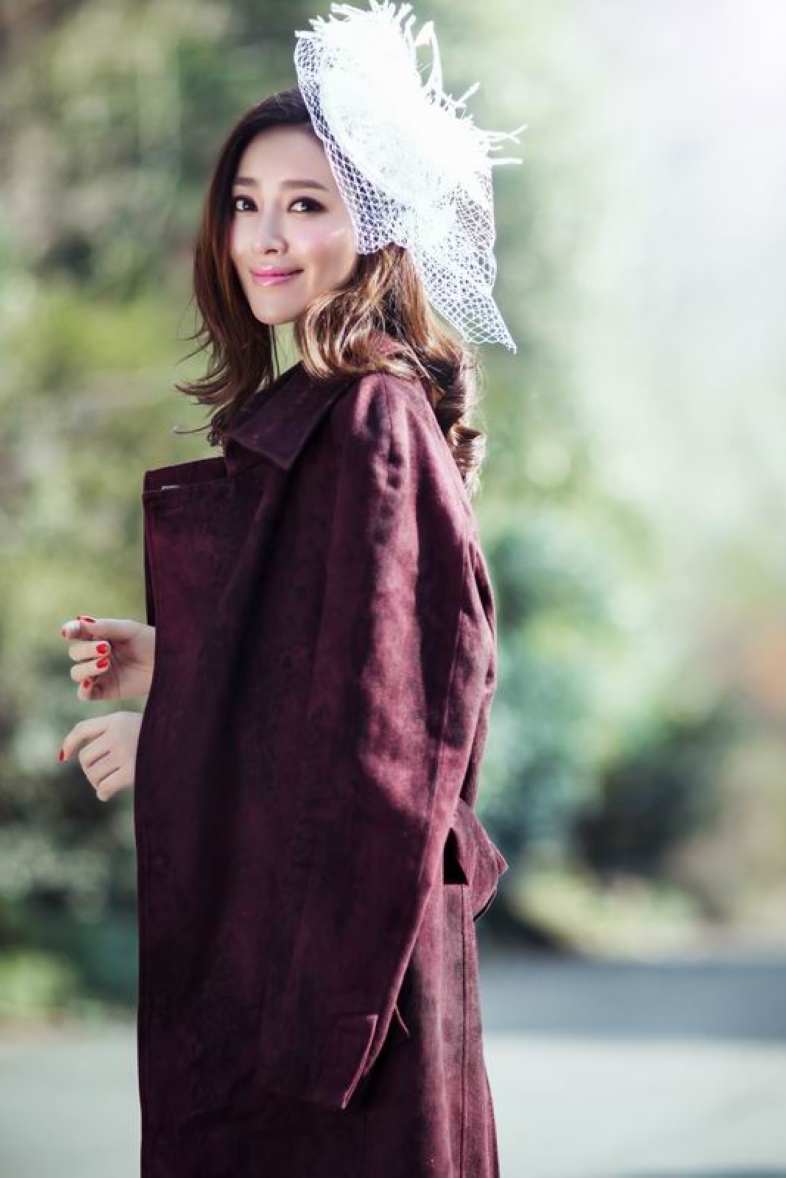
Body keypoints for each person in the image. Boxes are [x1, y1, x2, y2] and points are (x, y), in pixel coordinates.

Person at [57, 3, 522, 1174]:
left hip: (336, 1010)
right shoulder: (324, 421)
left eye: (306, 205)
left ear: (375, 226)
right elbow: (325, 666)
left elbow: (382, 746)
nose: (263, 237)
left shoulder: (370, 420)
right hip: (302, 979)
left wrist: (169, 737)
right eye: (245, 202)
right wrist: (176, 660)